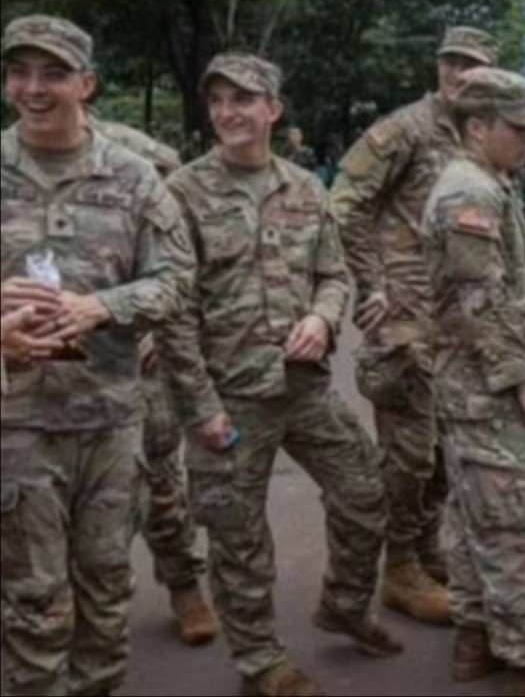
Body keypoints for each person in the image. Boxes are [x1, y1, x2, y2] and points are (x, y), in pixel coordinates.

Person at [159, 53, 401, 697]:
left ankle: (345, 604)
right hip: (228, 397)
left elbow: (334, 273)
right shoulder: (182, 194)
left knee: (366, 495)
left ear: (273, 109)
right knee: (239, 539)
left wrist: (324, 319)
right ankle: (261, 663)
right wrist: (200, 407)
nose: (228, 113)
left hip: (304, 388)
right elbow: (173, 313)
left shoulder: (305, 187)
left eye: (244, 100)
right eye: (218, 101)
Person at [1, 15, 196, 697]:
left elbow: (176, 278)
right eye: (19, 72)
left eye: (52, 73)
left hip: (112, 423)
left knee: (107, 590)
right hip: (16, 427)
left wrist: (103, 307)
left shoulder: (136, 178)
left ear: (87, 84)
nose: (32, 87)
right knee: (33, 600)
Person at [421, 67, 525, 696]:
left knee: (472, 521)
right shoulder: (470, 194)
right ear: (478, 127)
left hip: (470, 389)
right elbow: (481, 303)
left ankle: (474, 641)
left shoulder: (488, 182)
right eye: (517, 129)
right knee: (518, 528)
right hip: (488, 392)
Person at [330, 26, 499, 626]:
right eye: (452, 63)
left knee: (446, 449)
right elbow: (344, 202)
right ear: (438, 66)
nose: (460, 75)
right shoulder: (405, 129)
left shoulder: (480, 136)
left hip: (455, 324)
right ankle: (397, 567)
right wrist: (371, 281)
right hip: (403, 322)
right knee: (408, 453)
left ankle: (424, 549)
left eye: (473, 67)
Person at [92, 116, 220, 647]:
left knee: (164, 483)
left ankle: (185, 585)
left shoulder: (138, 156)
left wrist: (153, 326)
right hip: (63, 372)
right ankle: (84, 607)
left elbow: (180, 265)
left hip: (144, 363)